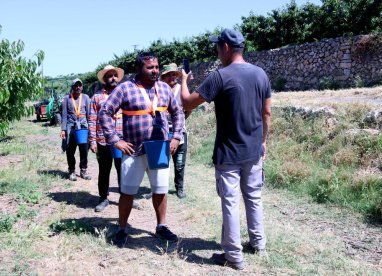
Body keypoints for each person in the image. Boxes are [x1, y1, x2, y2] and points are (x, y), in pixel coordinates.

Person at [180, 29, 271, 270]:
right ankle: (258, 244)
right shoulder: (261, 74)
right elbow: (267, 112)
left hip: (228, 154)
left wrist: (182, 82)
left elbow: (187, 102)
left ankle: (234, 256)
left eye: (218, 47)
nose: (217, 52)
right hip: (253, 151)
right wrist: (264, 141)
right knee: (253, 197)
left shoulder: (220, 76)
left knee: (230, 202)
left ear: (227, 48)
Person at [99, 52, 184, 247]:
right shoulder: (125, 89)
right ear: (139, 68)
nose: (155, 70)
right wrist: (115, 140)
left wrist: (176, 136)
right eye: (150, 67)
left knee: (161, 189)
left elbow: (178, 112)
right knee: (127, 192)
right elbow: (105, 113)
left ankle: (161, 226)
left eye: (156, 67)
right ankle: (122, 229)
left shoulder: (164, 89)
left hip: (160, 149)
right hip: (133, 149)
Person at [89, 65, 125, 212]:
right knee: (104, 170)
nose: (113, 78)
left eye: (115, 75)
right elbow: (92, 120)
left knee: (124, 170)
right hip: (103, 140)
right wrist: (92, 140)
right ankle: (103, 198)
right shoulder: (96, 97)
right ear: (104, 79)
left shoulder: (124, 94)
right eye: (109, 76)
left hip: (121, 140)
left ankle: (126, 197)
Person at [160, 63, 191, 199]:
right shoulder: (160, 90)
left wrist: (181, 121)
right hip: (162, 132)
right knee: (161, 162)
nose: (171, 77)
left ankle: (179, 188)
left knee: (179, 163)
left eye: (173, 74)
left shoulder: (181, 88)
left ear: (177, 76)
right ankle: (159, 188)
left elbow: (188, 107)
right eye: (168, 75)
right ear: (164, 77)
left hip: (179, 132)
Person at [60, 78, 92, 181]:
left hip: (83, 128)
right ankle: (72, 171)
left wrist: (90, 130)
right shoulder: (67, 99)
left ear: (82, 87)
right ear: (72, 87)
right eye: (76, 85)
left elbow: (89, 115)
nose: (78, 87)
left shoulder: (86, 98)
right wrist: (63, 130)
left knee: (84, 150)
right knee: (70, 150)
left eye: (80, 85)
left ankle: (83, 170)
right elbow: (64, 115)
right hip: (71, 128)